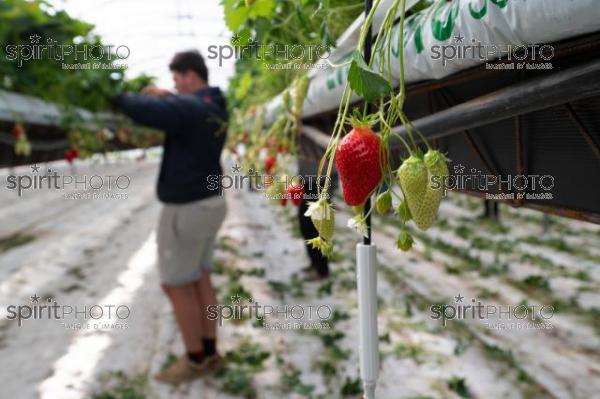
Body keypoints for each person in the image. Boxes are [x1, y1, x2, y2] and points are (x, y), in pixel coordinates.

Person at [113, 50, 227, 385]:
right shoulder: (214, 104)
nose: (174, 86)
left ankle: (195, 360)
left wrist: (122, 97)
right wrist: (172, 96)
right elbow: (183, 107)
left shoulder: (194, 108)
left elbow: (145, 109)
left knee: (176, 285)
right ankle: (210, 350)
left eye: (177, 79)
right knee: (200, 276)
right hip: (210, 203)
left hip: (187, 208)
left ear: (190, 75)